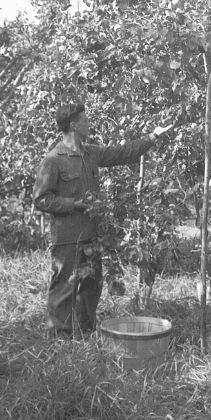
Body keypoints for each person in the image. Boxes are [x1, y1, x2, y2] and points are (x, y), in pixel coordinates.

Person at [32, 103, 174, 338]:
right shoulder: (54, 160)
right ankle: (60, 340)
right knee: (64, 287)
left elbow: (123, 152)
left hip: (91, 235)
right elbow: (41, 199)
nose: (89, 123)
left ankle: (85, 333)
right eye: (85, 119)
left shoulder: (91, 153)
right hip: (67, 237)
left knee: (90, 287)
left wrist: (152, 136)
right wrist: (72, 205)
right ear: (74, 124)